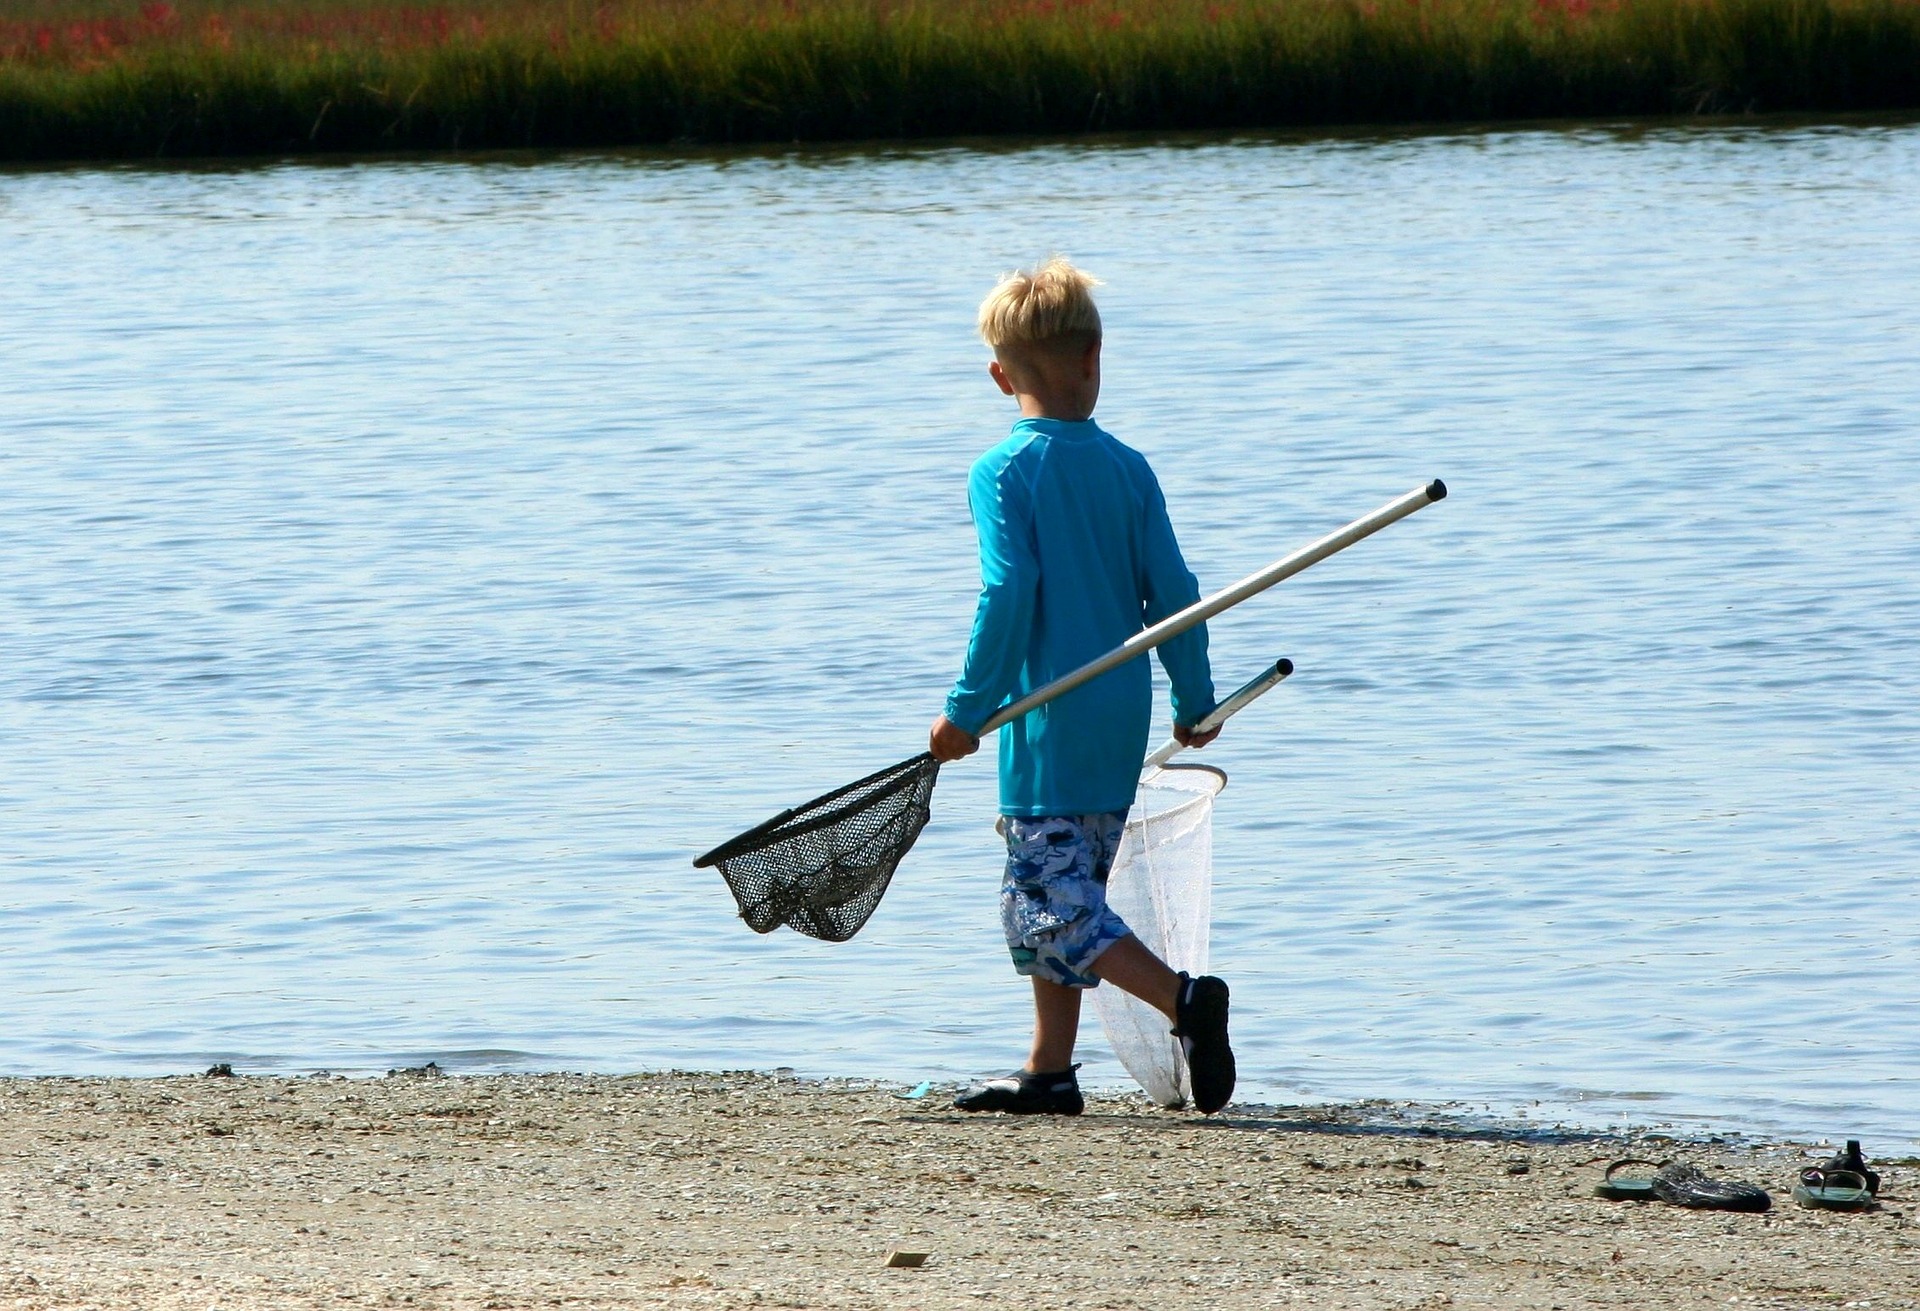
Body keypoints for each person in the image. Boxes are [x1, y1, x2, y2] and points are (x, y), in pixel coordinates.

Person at [929, 257, 1236, 1116]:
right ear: (1097, 355)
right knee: (1058, 894)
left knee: (1050, 902)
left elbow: (1008, 589)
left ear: (1000, 376)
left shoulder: (1003, 470)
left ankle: (1184, 1001)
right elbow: (1176, 592)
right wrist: (1193, 697)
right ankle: (1050, 1071)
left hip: (1047, 728)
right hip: (1116, 718)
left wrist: (966, 709)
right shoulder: (1128, 467)